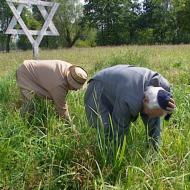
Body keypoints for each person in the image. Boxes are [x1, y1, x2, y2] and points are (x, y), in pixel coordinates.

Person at [84, 65, 176, 150]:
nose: (149, 116)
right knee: (106, 129)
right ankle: (108, 155)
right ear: (145, 100)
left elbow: (158, 115)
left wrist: (167, 111)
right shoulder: (129, 100)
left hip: (123, 82)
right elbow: (120, 127)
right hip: (99, 87)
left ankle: (154, 152)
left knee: (154, 120)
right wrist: (118, 153)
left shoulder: (163, 86)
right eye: (148, 113)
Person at [16, 60, 88, 122]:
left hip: (33, 70)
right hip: (26, 72)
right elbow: (62, 110)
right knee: (30, 105)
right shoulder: (59, 85)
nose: (76, 89)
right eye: (75, 86)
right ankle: (20, 122)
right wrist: (71, 127)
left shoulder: (71, 70)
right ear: (70, 81)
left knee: (36, 102)